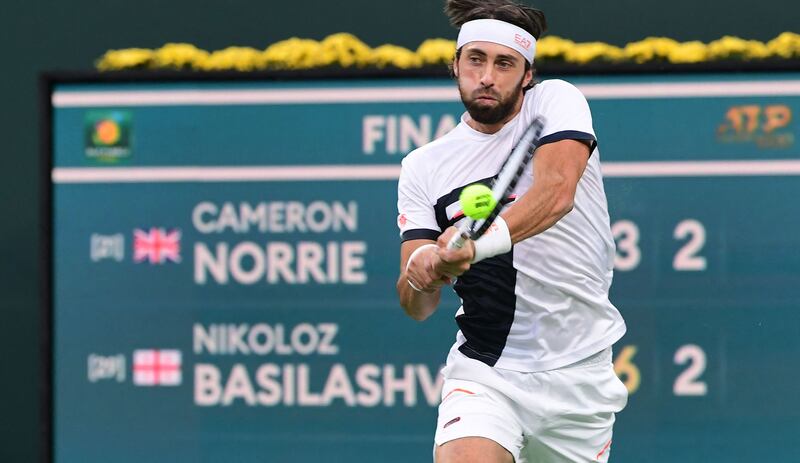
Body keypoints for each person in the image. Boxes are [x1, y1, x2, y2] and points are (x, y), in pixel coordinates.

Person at [396, 1, 628, 461]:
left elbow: (557, 193)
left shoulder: (554, 103)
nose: (487, 75)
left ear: (527, 75)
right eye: (475, 60)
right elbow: (417, 306)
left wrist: (476, 247)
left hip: (581, 374)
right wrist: (423, 273)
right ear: (455, 65)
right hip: (487, 369)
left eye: (504, 63)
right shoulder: (422, 167)